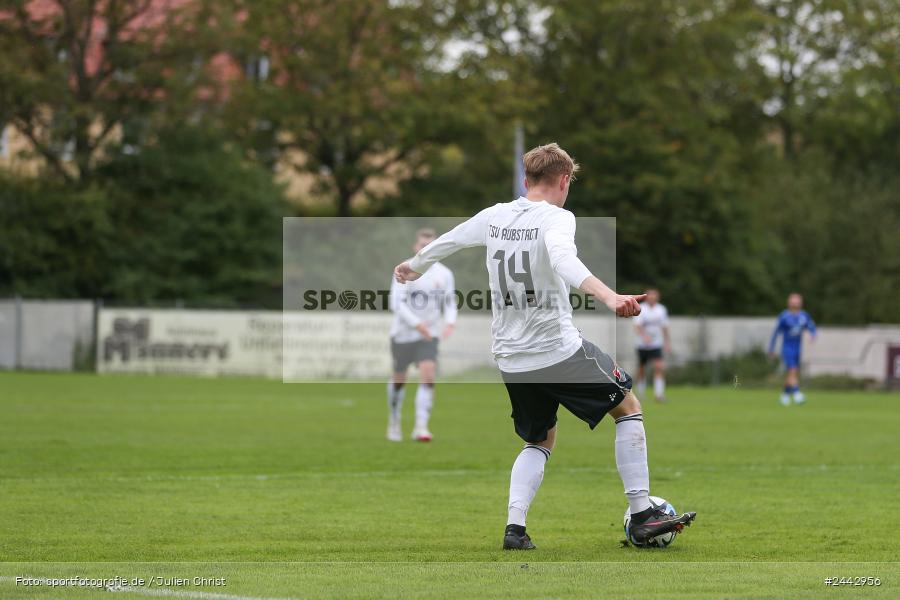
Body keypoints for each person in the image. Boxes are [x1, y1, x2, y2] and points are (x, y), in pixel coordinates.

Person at [393, 143, 696, 549]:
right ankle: (642, 514)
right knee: (628, 407)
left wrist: (414, 265)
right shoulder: (557, 218)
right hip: (557, 350)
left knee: (539, 440)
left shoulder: (494, 215)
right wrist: (609, 297)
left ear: (525, 180)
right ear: (564, 180)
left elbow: (450, 240)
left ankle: (515, 531)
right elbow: (563, 260)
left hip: (510, 357)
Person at [387, 228, 457, 442]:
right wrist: (417, 325)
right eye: (422, 245)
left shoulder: (444, 274)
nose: (425, 249)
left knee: (428, 375)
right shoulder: (405, 269)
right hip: (403, 334)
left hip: (429, 335)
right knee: (399, 379)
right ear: (415, 247)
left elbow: (449, 301)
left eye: (430, 246)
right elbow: (395, 303)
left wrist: (451, 321)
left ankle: (421, 426)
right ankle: (394, 421)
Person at [769, 293, 817, 406]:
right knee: (792, 370)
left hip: (798, 349)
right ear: (789, 303)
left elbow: (812, 327)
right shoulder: (784, 316)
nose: (795, 303)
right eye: (793, 301)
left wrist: (813, 334)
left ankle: (784, 395)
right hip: (787, 348)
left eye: (797, 301)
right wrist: (771, 348)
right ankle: (797, 394)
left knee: (793, 373)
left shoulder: (804, 316)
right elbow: (776, 333)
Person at [633, 288, 670, 403]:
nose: (652, 298)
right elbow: (637, 326)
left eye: (654, 296)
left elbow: (665, 327)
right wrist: (644, 337)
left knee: (659, 367)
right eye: (650, 296)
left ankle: (658, 395)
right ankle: (640, 394)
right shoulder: (641, 308)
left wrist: (667, 342)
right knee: (642, 369)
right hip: (642, 345)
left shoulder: (661, 309)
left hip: (656, 344)